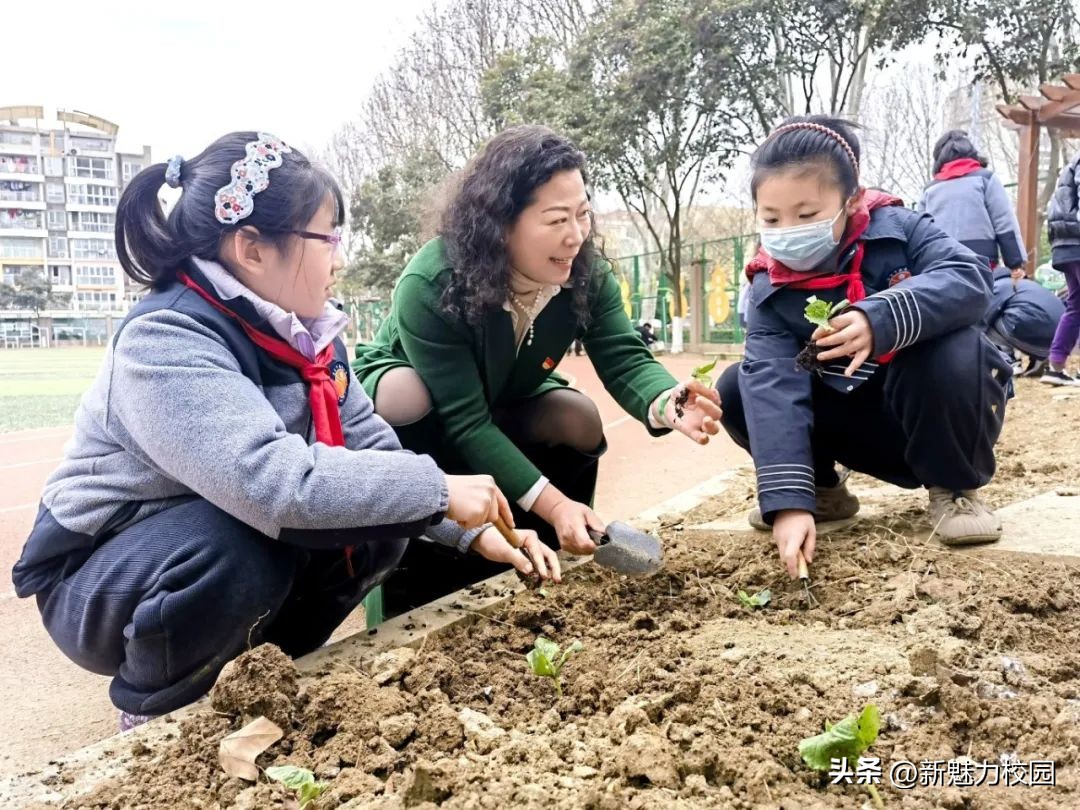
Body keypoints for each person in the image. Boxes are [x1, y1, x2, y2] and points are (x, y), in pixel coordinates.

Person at [10, 132, 558, 730]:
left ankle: (270, 671)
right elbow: (273, 484)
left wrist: (470, 532)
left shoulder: (308, 338)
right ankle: (158, 716)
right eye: (326, 237)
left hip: (205, 535)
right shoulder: (165, 340)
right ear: (251, 248)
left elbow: (372, 450)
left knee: (379, 524)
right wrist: (439, 489)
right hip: (103, 575)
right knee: (247, 543)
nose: (340, 258)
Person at [353, 125, 721, 611]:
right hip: (429, 406)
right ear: (500, 222)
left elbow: (624, 354)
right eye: (556, 220)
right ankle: (420, 554)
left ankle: (555, 546)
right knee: (407, 395)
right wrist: (552, 499)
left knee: (575, 416)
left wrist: (668, 402)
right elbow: (465, 420)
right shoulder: (432, 281)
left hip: (504, 393)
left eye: (583, 214)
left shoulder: (585, 274)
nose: (575, 236)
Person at [714, 116, 1011, 580]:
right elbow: (772, 386)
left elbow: (970, 279)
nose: (787, 230)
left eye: (806, 215)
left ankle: (954, 487)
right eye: (771, 218)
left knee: (956, 347)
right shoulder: (768, 286)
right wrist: (789, 504)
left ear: (850, 201)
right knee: (737, 386)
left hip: (930, 412)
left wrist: (882, 318)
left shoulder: (904, 230)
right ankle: (822, 491)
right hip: (855, 424)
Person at [918, 130, 1027, 278]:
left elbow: (921, 232)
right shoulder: (986, 179)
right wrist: (1015, 263)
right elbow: (1004, 222)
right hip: (981, 261)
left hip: (941, 264)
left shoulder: (930, 190)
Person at [983, 265, 1064, 378]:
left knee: (989, 319)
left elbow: (984, 318)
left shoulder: (1000, 285)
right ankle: (1038, 360)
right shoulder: (1029, 285)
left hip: (1036, 330)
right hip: (1060, 340)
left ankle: (1008, 359)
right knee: (1026, 312)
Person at [1042, 149, 1080, 386]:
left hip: (1065, 245)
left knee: (1076, 306)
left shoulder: (1072, 163)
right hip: (1076, 240)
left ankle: (1055, 366)